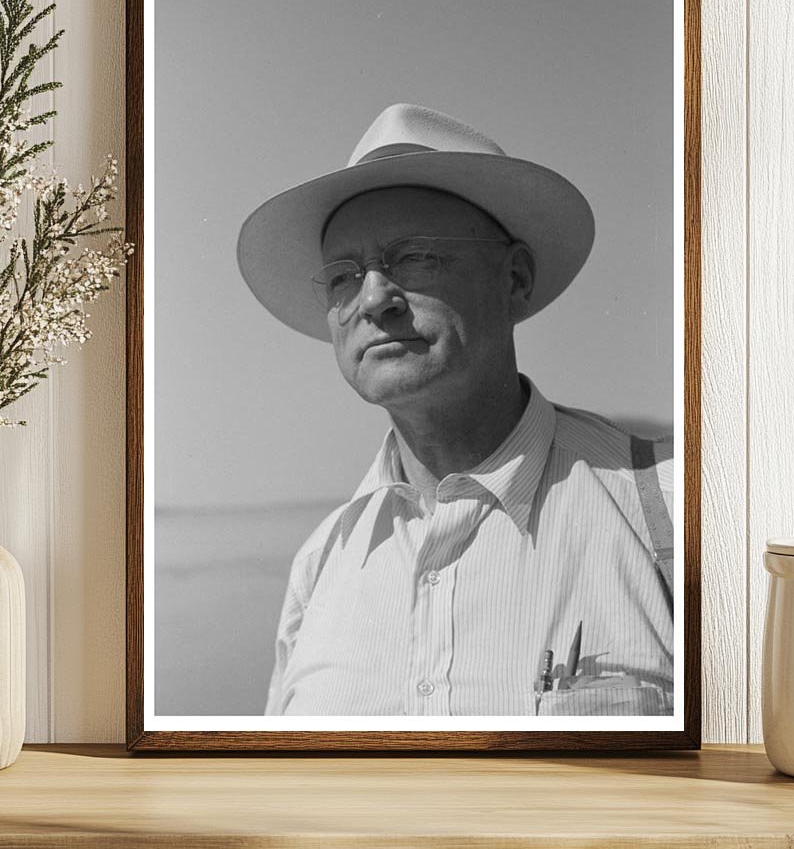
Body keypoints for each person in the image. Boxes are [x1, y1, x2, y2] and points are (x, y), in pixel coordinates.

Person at [236, 103, 674, 717]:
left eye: (414, 257)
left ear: (514, 278)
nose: (374, 298)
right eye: (342, 275)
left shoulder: (668, 510)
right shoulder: (320, 567)